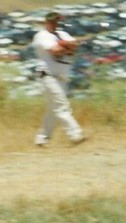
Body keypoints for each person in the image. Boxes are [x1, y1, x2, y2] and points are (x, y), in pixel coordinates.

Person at [32, 11, 84, 146]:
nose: (56, 24)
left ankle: (42, 138)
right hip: (48, 76)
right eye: (53, 21)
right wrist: (66, 46)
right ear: (47, 22)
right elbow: (55, 51)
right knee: (62, 106)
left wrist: (66, 46)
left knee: (53, 111)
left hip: (61, 77)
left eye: (57, 21)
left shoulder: (62, 34)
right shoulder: (42, 36)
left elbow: (75, 45)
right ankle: (75, 134)